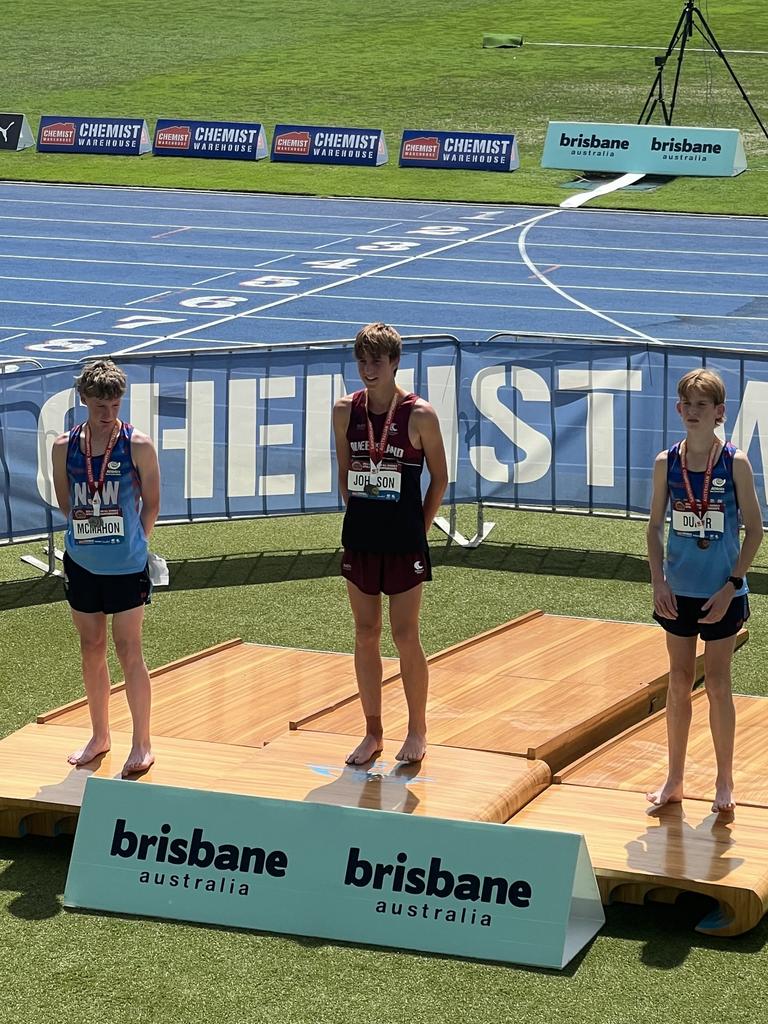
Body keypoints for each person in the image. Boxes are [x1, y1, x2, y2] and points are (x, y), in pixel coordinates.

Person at [646, 369, 763, 813]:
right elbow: (655, 526)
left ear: (719, 414)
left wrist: (732, 585)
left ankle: (724, 782)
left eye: (702, 406)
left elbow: (755, 530)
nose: (692, 413)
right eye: (686, 405)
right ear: (678, 410)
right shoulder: (666, 463)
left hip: (723, 593)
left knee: (716, 683)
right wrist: (658, 580)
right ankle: (674, 779)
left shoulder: (735, 462)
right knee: (677, 682)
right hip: (678, 592)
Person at [333, 323, 448, 766]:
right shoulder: (345, 410)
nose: (367, 370)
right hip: (361, 538)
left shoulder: (420, 415)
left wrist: (418, 526)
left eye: (376, 362)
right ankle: (372, 731)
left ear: (395, 362)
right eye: (361, 361)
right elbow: (346, 474)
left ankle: (417, 729)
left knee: (404, 635)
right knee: (365, 635)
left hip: (404, 542)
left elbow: (439, 477)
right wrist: (364, 512)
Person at [52, 359, 161, 777]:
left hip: (127, 565)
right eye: (100, 403)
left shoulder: (138, 444)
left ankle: (142, 742)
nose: (108, 410)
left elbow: (151, 503)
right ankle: (100, 735)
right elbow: (67, 503)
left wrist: (135, 542)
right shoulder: (65, 446)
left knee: (128, 649)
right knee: (91, 648)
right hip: (81, 562)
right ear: (84, 399)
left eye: (114, 402)